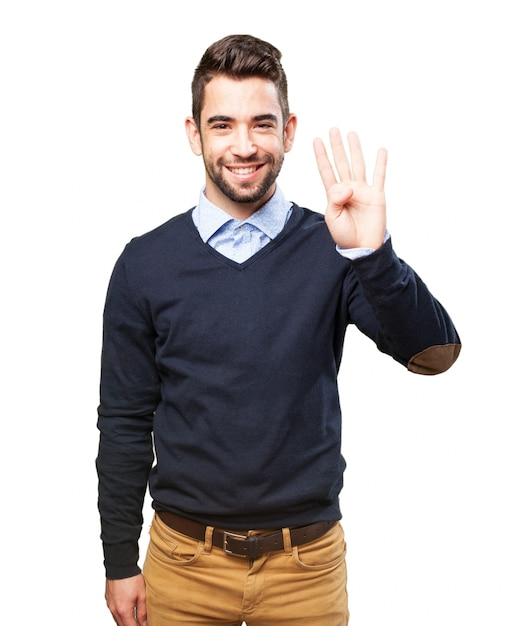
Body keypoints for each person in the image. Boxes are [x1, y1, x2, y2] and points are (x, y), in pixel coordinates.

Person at [96, 34, 461, 626]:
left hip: (307, 571)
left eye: (261, 125)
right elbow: (125, 421)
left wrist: (374, 254)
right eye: (222, 125)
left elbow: (434, 354)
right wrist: (119, 561)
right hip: (183, 566)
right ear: (195, 134)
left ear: (288, 131)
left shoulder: (333, 249)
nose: (244, 146)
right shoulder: (144, 264)